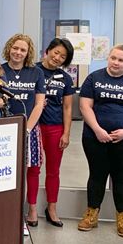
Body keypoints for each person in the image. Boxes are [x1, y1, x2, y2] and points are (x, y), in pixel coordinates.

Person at [78, 43, 123, 238]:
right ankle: (91, 215)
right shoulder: (94, 78)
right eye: (113, 58)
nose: (116, 63)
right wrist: (98, 129)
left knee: (122, 178)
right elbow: (85, 106)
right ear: (108, 58)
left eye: (120, 60)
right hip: (95, 137)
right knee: (97, 176)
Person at [0, 34, 46, 228]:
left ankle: (32, 208)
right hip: (4, 128)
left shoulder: (36, 73)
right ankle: (7, 210)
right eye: (15, 48)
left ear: (28, 53)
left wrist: (27, 128)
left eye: (23, 50)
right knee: (5, 171)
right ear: (9, 48)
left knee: (32, 169)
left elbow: (39, 103)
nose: (18, 52)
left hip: (29, 128)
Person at [35, 38, 75, 227]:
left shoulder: (65, 79)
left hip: (55, 127)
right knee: (32, 169)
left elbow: (68, 108)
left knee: (53, 171)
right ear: (48, 50)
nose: (57, 58)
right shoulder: (33, 71)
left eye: (63, 56)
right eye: (56, 52)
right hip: (34, 127)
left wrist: (66, 133)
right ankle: (32, 208)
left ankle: (52, 208)